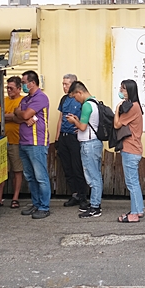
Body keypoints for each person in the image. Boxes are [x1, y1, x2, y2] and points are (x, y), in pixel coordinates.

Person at [14, 71, 52, 219]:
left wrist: (21, 114)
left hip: (37, 143)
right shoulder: (25, 100)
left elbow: (22, 115)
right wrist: (21, 115)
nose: (22, 85)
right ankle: (36, 204)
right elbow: (18, 117)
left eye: (24, 82)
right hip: (23, 142)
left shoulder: (41, 98)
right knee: (30, 177)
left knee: (40, 176)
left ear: (32, 83)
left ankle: (44, 206)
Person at [66, 81, 103, 219]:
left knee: (92, 177)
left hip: (89, 145)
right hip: (95, 143)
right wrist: (78, 121)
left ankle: (95, 207)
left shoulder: (87, 105)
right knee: (96, 175)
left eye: (75, 97)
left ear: (79, 92)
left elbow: (82, 127)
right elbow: (87, 125)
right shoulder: (95, 102)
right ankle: (95, 203)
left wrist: (73, 121)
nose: (76, 100)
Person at [0, 76, 24, 210]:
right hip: (2, 140)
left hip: (17, 140)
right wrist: (11, 116)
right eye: (7, 88)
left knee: (17, 170)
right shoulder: (2, 101)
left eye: (11, 88)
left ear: (19, 89)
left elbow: (19, 118)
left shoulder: (23, 101)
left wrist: (7, 116)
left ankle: (15, 198)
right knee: (1, 170)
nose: (9, 90)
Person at [55, 74, 89, 209]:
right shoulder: (64, 99)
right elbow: (60, 119)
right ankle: (74, 194)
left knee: (77, 168)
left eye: (66, 84)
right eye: (63, 84)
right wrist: (57, 138)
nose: (64, 87)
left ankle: (83, 196)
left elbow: (86, 119)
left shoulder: (80, 100)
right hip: (63, 137)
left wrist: (79, 128)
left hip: (75, 137)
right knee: (67, 168)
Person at [115, 79, 145, 223]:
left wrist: (116, 109)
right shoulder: (136, 106)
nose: (121, 92)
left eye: (123, 89)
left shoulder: (132, 107)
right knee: (134, 182)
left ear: (130, 91)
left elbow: (117, 124)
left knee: (132, 183)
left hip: (130, 149)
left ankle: (134, 214)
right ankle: (138, 210)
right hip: (134, 149)